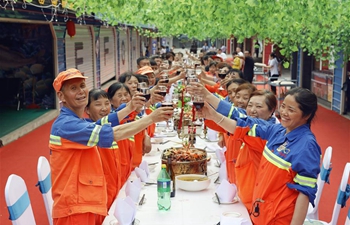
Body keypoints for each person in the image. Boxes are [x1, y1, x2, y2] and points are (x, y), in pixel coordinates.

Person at [49, 68, 173, 225]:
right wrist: (150, 119)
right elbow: (110, 133)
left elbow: (102, 123)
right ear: (61, 96)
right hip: (74, 208)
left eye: (82, 85)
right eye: (73, 88)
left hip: (83, 202)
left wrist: (129, 108)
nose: (81, 92)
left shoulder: (78, 122)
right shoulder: (66, 125)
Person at [197, 87, 321, 224]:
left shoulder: (307, 145)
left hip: (279, 217)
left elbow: (304, 193)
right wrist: (214, 115)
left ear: (306, 115)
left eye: (291, 110)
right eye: (284, 107)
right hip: (261, 211)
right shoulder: (278, 130)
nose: (284, 113)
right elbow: (244, 125)